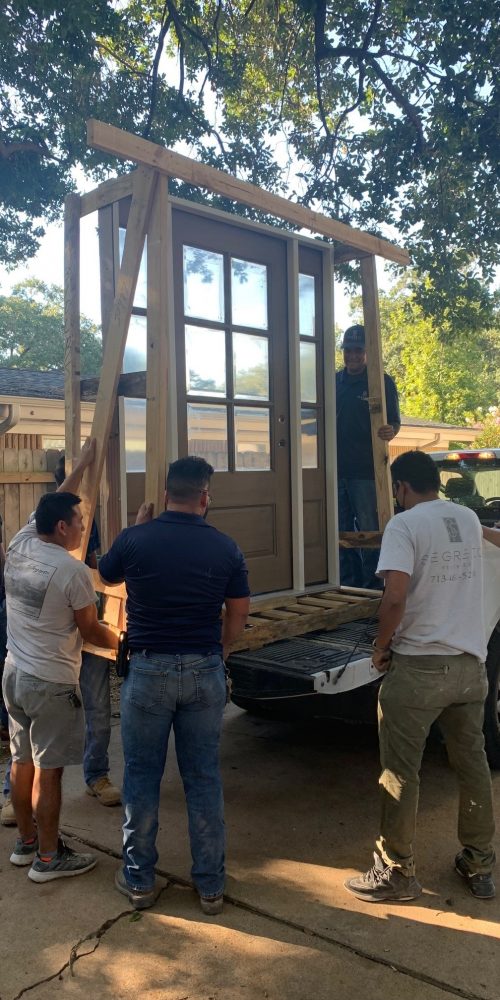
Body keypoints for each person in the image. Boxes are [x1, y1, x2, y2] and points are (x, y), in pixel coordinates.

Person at [99, 456, 250, 914]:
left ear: (166, 494)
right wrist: (221, 650)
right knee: (202, 777)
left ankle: (139, 880)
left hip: (148, 670)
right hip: (204, 669)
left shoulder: (136, 539)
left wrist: (136, 527)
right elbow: (238, 612)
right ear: (205, 497)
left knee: (141, 776)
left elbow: (107, 574)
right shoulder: (225, 547)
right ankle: (210, 887)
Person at [345, 450, 496, 903]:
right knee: (472, 767)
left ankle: (396, 872)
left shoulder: (404, 525)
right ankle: (479, 864)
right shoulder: (466, 517)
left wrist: (380, 646)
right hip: (470, 668)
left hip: (419, 669)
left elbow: (394, 597)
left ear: (402, 487)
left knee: (400, 773)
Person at [2, 439, 119, 882]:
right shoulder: (72, 572)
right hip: (50, 683)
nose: (84, 525)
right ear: (63, 528)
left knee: (21, 762)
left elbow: (51, 502)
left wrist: (83, 465)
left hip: (14, 673)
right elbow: (90, 631)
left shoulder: (21, 542)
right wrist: (121, 641)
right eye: (79, 521)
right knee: (48, 773)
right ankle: (49, 860)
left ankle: (26, 843)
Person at [54, 455, 120, 807]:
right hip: (54, 640)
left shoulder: (91, 519)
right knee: (42, 716)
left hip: (89, 624)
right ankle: (13, 791)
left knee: (97, 709)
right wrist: (79, 467)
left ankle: (97, 775)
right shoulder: (43, 527)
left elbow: (98, 567)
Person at [336, 323, 401, 589]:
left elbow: (393, 422)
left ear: (367, 352)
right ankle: (346, 585)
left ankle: (372, 589)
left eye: (357, 350)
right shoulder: (333, 382)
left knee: (370, 531)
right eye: (348, 350)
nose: (352, 355)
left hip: (367, 471)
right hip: (335, 471)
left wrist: (389, 430)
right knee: (339, 533)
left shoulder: (381, 382)